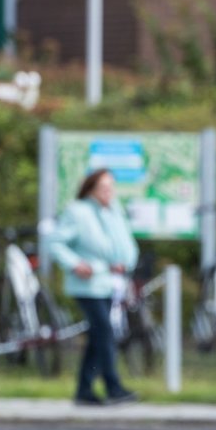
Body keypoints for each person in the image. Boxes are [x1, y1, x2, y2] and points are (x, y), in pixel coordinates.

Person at [47, 168, 139, 406]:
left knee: (98, 336)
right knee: (105, 333)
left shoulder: (114, 211)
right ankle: (113, 386)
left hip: (109, 284)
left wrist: (124, 262)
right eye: (103, 187)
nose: (108, 192)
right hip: (87, 285)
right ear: (91, 188)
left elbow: (124, 245)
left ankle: (84, 389)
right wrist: (75, 263)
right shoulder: (77, 212)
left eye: (110, 187)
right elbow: (55, 242)